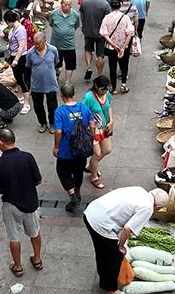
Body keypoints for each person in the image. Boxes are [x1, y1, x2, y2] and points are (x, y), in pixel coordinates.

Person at [83, 186, 170, 294]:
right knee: (114, 256)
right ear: (158, 207)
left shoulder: (140, 190)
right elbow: (128, 228)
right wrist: (121, 246)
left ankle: (104, 277)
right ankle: (112, 291)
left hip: (91, 211)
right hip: (101, 223)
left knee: (103, 250)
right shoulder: (148, 208)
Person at [0, 128, 43, 277]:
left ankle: (18, 267)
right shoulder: (28, 157)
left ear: (1, 143)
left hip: (11, 204)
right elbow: (38, 180)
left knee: (14, 237)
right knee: (35, 232)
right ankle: (37, 259)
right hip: (31, 203)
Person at [53, 83, 95, 212]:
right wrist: (90, 139)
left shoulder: (60, 111)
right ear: (74, 92)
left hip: (66, 151)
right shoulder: (83, 107)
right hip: (81, 150)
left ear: (61, 96)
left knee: (63, 172)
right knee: (78, 172)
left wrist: (56, 147)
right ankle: (77, 191)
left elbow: (58, 131)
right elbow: (92, 124)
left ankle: (73, 196)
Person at [99, 0, 135, 94]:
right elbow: (130, 33)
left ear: (111, 6)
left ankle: (114, 88)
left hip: (111, 48)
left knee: (112, 67)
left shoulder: (107, 18)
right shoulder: (125, 17)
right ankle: (123, 85)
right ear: (120, 6)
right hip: (124, 46)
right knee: (124, 66)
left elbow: (104, 34)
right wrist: (123, 47)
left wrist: (114, 46)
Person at [83, 76, 114, 190]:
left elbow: (109, 106)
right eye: (102, 89)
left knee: (107, 150)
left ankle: (91, 166)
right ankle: (94, 176)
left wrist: (111, 121)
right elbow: (83, 113)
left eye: (106, 89)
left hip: (104, 128)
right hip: (92, 130)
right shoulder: (89, 97)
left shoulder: (107, 94)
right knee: (97, 153)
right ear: (96, 86)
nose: (104, 91)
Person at [26, 32, 59, 133]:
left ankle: (53, 123)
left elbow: (56, 62)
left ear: (45, 41)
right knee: (38, 105)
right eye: (35, 43)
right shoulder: (30, 53)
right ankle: (43, 123)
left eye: (39, 43)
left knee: (52, 106)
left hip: (51, 83)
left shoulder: (53, 50)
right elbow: (29, 66)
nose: (36, 46)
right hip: (36, 85)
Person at [80, 0, 111, 81]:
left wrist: (84, 25)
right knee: (100, 55)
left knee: (88, 49)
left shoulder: (84, 2)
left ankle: (88, 66)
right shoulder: (105, 5)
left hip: (88, 30)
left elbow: (82, 14)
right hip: (101, 33)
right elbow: (108, 20)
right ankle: (99, 74)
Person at [5, 9, 31, 114]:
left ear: (9, 21)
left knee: (23, 80)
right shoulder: (12, 29)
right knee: (18, 78)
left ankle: (26, 103)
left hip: (20, 57)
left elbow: (22, 46)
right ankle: (21, 97)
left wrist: (16, 59)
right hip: (12, 55)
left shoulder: (20, 30)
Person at [49, 0, 81, 81]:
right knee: (56, 64)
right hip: (56, 45)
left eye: (69, 5)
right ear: (61, 4)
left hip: (69, 45)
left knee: (70, 65)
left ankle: (67, 82)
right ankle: (57, 73)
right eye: (65, 4)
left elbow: (76, 26)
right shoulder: (54, 14)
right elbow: (51, 24)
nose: (67, 7)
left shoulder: (75, 15)